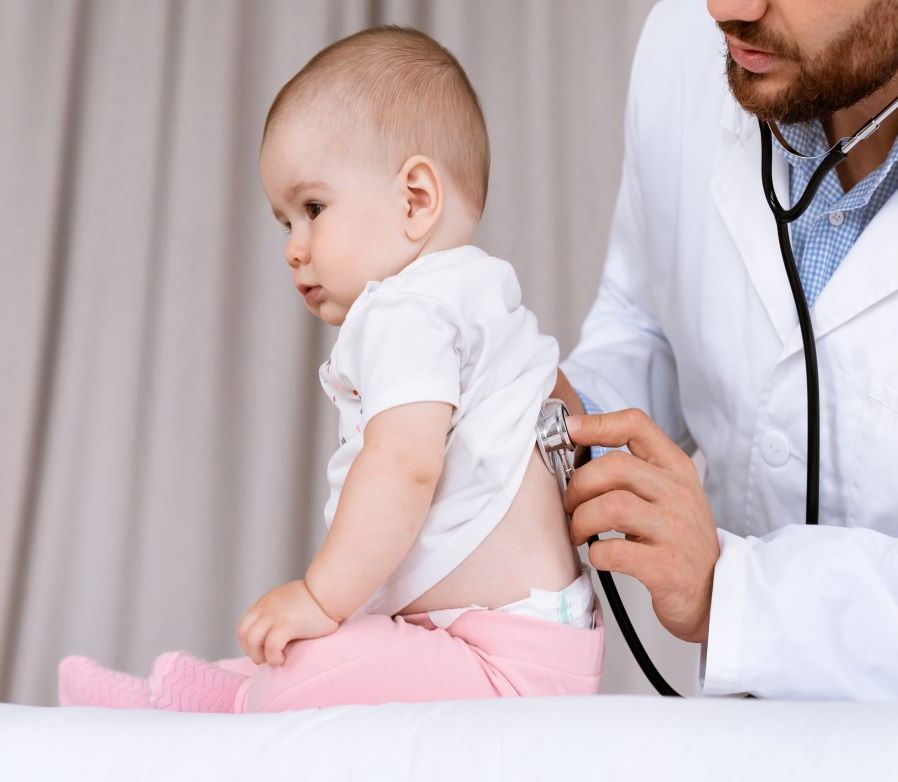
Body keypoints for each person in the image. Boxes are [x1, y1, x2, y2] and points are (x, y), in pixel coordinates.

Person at [57, 25, 603, 713]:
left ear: (416, 200)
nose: (294, 248)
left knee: (305, 659)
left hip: (499, 662)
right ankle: (186, 692)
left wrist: (322, 596)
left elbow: (404, 465)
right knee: (306, 649)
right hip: (512, 642)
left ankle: (205, 706)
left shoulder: (411, 310)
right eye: (285, 222)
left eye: (313, 209)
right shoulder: (473, 295)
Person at [550, 0, 898, 700]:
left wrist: (734, 596)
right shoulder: (685, 44)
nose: (725, 9)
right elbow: (645, 320)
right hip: (737, 753)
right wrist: (557, 422)